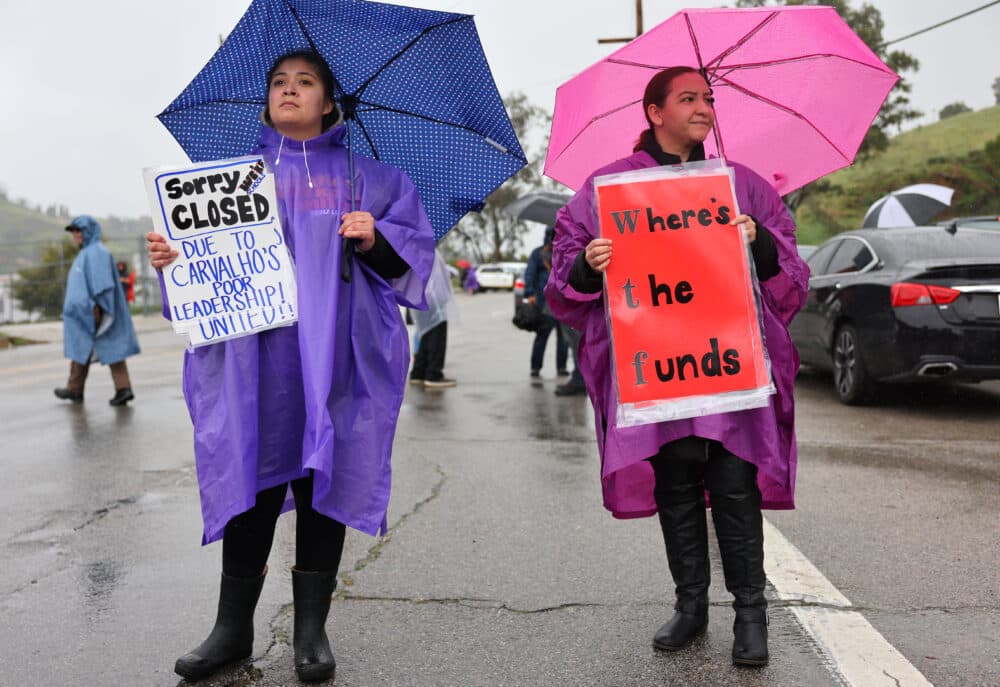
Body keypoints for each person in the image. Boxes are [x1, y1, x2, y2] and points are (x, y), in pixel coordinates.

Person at [147, 50, 434, 683]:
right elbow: (201, 283)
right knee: (252, 480)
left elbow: (411, 269)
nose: (289, 90)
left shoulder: (375, 182)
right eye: (278, 81)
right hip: (254, 362)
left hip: (339, 358)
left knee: (321, 482)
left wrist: (375, 237)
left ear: (330, 101)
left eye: (305, 83)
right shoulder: (229, 180)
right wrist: (174, 259)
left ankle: (310, 632)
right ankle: (231, 631)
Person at [544, 67, 809, 667]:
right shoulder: (608, 188)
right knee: (677, 483)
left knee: (735, 485)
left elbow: (792, 273)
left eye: (709, 99)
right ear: (654, 112)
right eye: (688, 98)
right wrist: (590, 262)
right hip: (657, 368)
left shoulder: (741, 185)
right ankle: (691, 606)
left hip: (730, 366)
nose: (704, 107)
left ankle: (750, 614)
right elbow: (565, 279)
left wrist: (758, 241)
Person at [54, 216, 139, 406]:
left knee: (97, 345)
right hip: (85, 311)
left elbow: (103, 285)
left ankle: (116, 389)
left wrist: (97, 309)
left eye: (79, 230)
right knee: (91, 346)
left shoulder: (96, 253)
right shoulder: (88, 253)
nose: (75, 234)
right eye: (73, 231)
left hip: (94, 310)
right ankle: (114, 388)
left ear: (89, 231)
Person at [409, 249, 458, 388]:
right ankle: (433, 374)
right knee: (437, 338)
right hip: (434, 301)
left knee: (424, 334)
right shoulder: (431, 250)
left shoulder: (415, 248)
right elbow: (438, 279)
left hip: (419, 299)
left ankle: (418, 372)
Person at [523, 227, 568, 378]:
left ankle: (561, 368)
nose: (552, 238)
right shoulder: (538, 254)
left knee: (564, 339)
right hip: (545, 303)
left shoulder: (564, 252)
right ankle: (535, 367)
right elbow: (529, 273)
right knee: (542, 335)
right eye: (550, 235)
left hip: (563, 302)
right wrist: (529, 293)